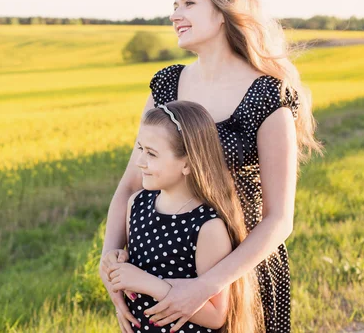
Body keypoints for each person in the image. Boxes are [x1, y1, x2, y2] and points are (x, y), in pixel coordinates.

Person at [99, 0, 322, 333]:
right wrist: (110, 259)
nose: (175, 15)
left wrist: (206, 286)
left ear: (222, 12)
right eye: (174, 5)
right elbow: (131, 185)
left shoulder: (268, 95)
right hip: (164, 261)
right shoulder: (167, 85)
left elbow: (279, 220)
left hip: (239, 270)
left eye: (188, 3)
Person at [105, 101, 264, 333]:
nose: (140, 161)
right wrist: (120, 260)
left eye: (151, 153)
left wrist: (148, 284)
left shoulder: (207, 227)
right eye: (140, 149)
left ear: (188, 163)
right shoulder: (137, 204)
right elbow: (146, 263)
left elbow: (216, 316)